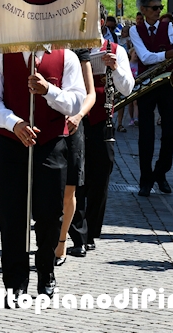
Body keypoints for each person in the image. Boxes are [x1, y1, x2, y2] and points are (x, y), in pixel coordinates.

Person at [0, 46, 86, 299]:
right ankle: (15, 281)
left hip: (51, 143)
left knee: (50, 214)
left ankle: (46, 271)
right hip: (10, 142)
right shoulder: (1, 55)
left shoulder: (66, 56)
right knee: (12, 215)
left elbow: (75, 102)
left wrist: (49, 90)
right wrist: (13, 122)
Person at [67, 20, 135, 254]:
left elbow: (127, 89)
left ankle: (92, 231)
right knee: (77, 176)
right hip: (76, 119)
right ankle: (79, 232)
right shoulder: (70, 48)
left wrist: (115, 68)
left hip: (102, 123)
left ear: (101, 23)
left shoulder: (117, 50)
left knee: (100, 177)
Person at [129, 0, 173, 197]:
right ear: (143, 10)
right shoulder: (135, 31)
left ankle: (161, 172)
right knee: (146, 135)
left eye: (160, 8)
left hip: (168, 84)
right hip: (147, 85)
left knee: (171, 132)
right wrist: (172, 53)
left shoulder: (169, 27)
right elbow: (145, 58)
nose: (158, 11)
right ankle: (145, 179)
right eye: (155, 8)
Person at [56, 49, 96, 263]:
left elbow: (91, 93)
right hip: (46, 121)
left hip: (72, 124)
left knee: (70, 188)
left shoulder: (79, 49)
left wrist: (79, 115)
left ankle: (62, 242)